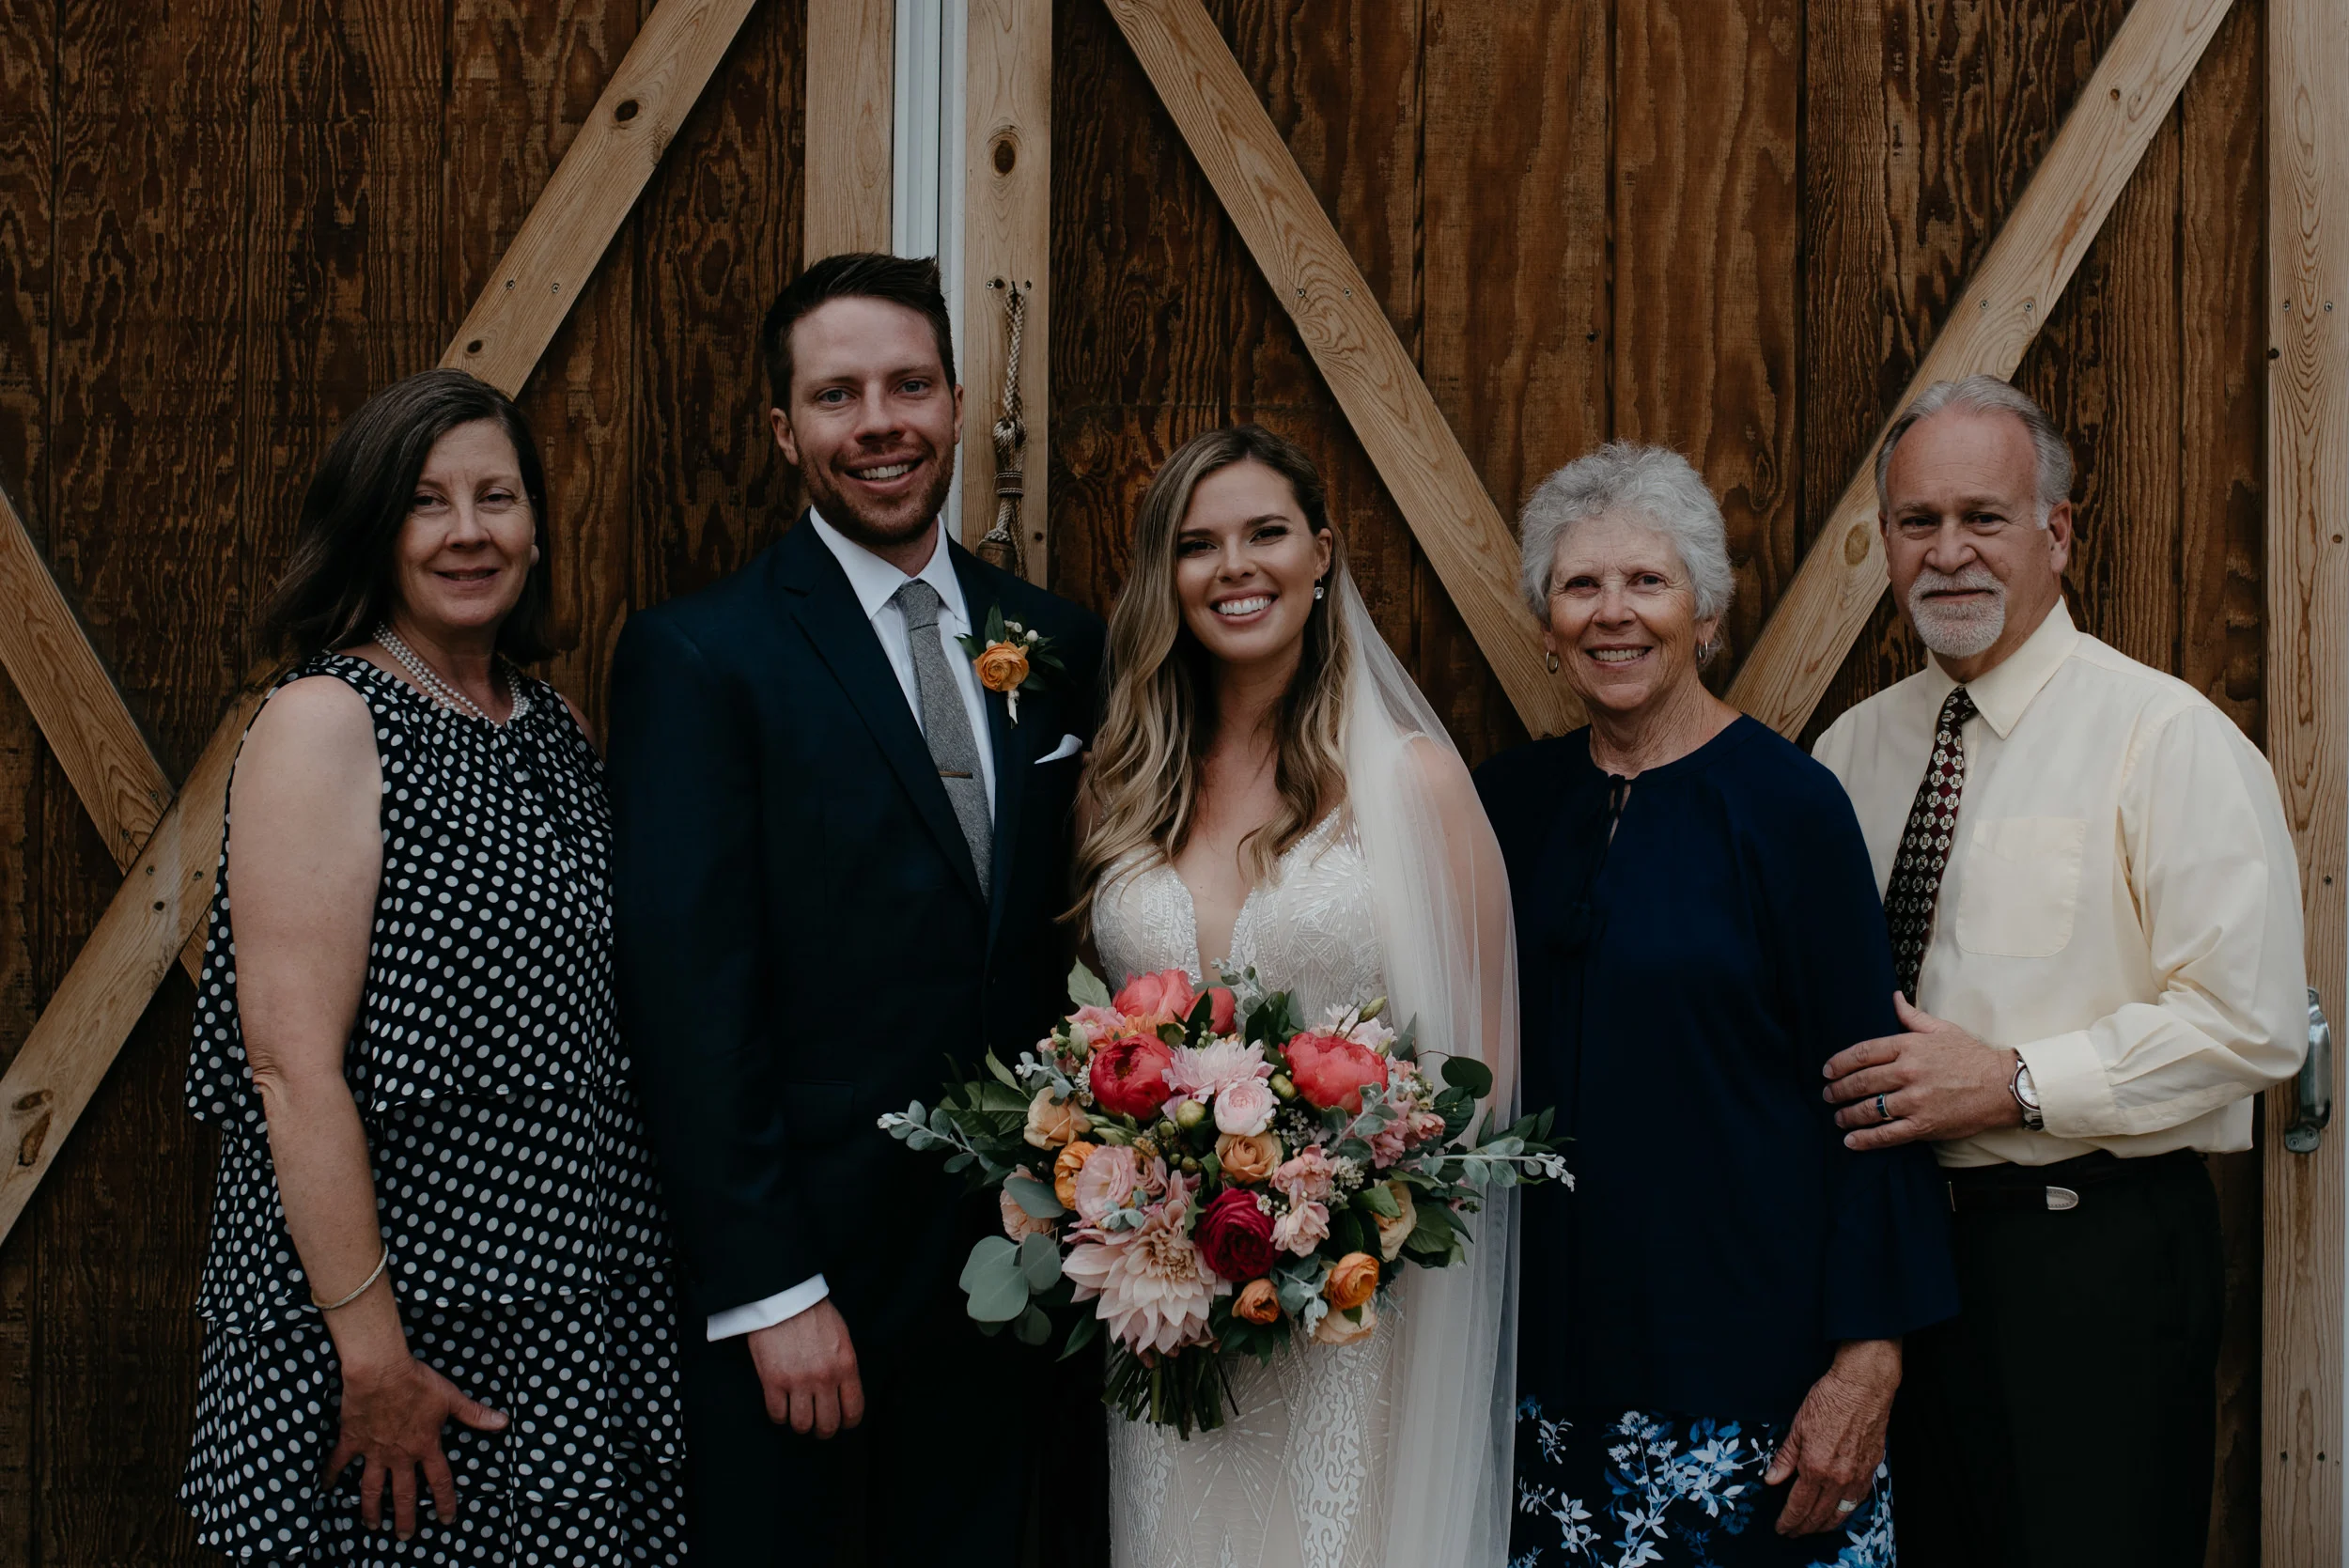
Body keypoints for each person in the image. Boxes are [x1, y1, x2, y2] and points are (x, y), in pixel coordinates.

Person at [606, 252, 1107, 1566]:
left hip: (1032, 1290)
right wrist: (769, 1290)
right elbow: (688, 998)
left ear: (952, 403)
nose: (879, 422)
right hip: (813, 1296)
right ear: (784, 428)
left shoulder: (1054, 640)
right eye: (837, 395)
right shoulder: (702, 656)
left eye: (908, 385)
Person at [179, 368, 683, 1563]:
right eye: (427, 501)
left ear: (535, 526)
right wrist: (374, 1361)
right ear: (374, 527)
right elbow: (291, 1067)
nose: (470, 531)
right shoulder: (329, 719)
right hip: (400, 1328)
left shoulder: (545, 724)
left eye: (496, 496)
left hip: (558, 1305)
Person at [1812, 376, 2307, 1568]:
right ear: (1884, 543)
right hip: (1889, 1267)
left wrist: (2016, 1081)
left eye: (1984, 516)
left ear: (2058, 532)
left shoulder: (2164, 738)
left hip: (2090, 1262)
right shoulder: (1850, 751)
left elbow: (2250, 1025)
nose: (1948, 553)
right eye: (1917, 522)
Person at [1475, 442, 1958, 1567]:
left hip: (1754, 1386)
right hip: (1542, 1382)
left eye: (1647, 581)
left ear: (1706, 612)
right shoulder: (1506, 806)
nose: (1613, 614)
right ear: (1545, 622)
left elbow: (1870, 1093)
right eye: (1579, 585)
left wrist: (1866, 1360)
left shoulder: (1787, 806)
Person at [1078, 423, 1519, 1568]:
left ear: (1321, 553)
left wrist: (1325, 1200)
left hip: (1348, 1308)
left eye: (1266, 533)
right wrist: (1148, 1191)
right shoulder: (1120, 782)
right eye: (1197, 544)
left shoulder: (1410, 783)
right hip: (1166, 1308)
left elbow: (1489, 1079)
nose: (1235, 567)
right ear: (1163, 577)